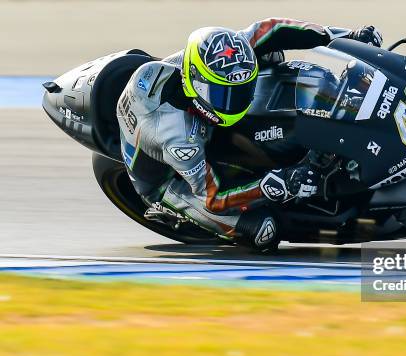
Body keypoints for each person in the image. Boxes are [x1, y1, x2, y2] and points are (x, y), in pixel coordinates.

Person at [116, 18, 382, 249]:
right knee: (264, 232)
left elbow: (273, 28)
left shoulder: (230, 53)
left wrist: (345, 36)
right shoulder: (178, 137)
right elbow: (213, 197)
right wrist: (271, 185)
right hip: (172, 181)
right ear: (195, 83)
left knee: (271, 56)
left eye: (243, 90)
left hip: (203, 127)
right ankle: (172, 207)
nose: (237, 101)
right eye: (224, 95)